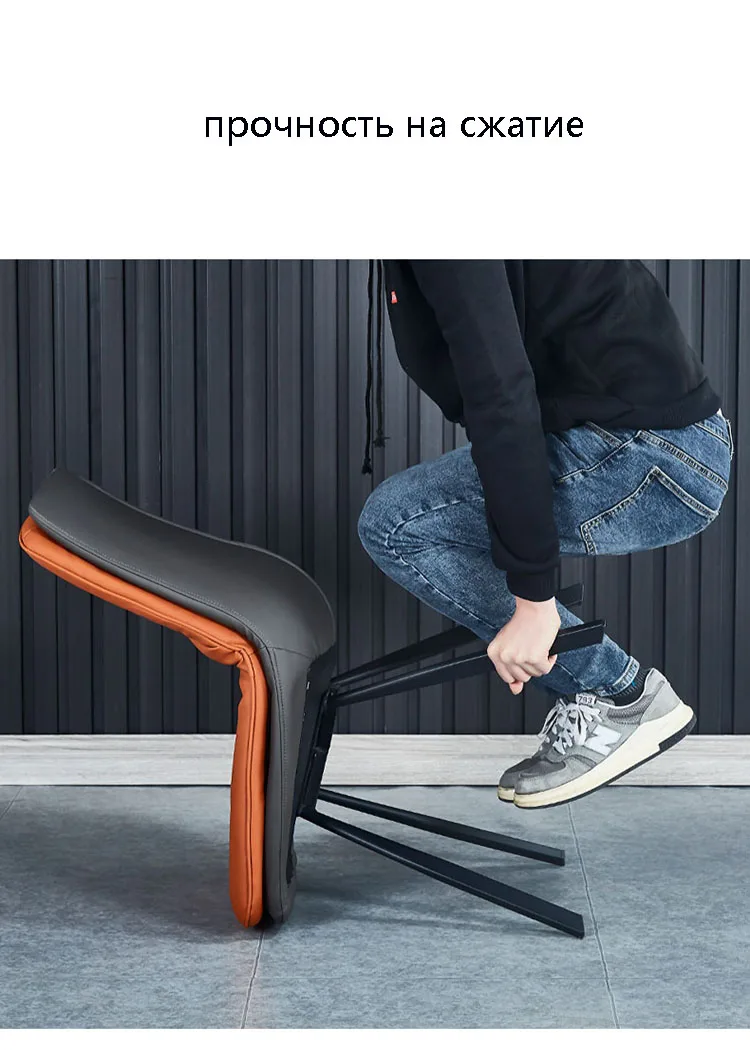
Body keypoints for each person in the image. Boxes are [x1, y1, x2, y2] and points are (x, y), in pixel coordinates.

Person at [356, 260, 734, 809]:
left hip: (654, 452)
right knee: (399, 520)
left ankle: (618, 694)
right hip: (658, 438)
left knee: (396, 525)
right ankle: (612, 690)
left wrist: (534, 601)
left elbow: (501, 396)